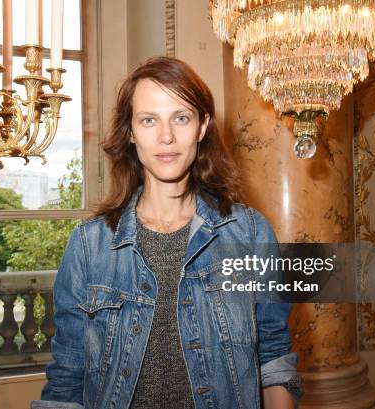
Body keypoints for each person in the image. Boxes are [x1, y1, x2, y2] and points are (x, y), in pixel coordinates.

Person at [31, 56, 302, 409]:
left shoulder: (250, 233)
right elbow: (67, 379)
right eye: (148, 120)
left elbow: (273, 356)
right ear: (130, 132)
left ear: (202, 126)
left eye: (181, 118)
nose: (166, 137)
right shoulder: (88, 246)